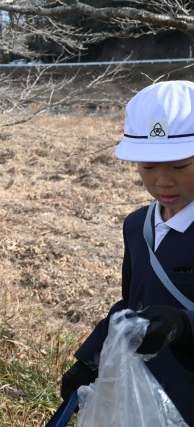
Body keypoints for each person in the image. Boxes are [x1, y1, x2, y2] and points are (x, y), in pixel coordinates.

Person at [60, 80, 194, 424]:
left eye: (179, 166)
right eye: (148, 167)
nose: (163, 181)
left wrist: (183, 325)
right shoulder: (138, 225)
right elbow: (131, 305)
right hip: (143, 399)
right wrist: (90, 361)